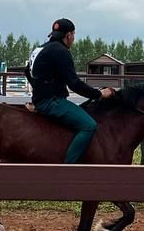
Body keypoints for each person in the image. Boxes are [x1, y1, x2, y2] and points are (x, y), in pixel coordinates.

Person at [29, 18, 116, 163]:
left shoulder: (39, 49)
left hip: (39, 99)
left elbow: (28, 72)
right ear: (69, 35)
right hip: (52, 102)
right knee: (89, 125)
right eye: (73, 35)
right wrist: (99, 94)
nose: (73, 39)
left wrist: (39, 89)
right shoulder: (61, 51)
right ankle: (68, 167)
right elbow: (74, 83)